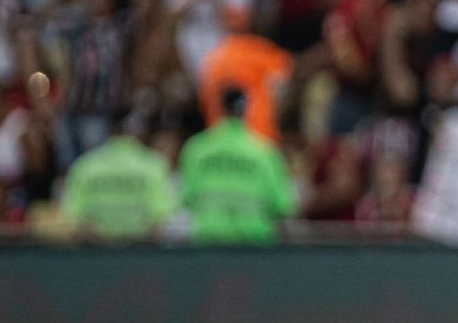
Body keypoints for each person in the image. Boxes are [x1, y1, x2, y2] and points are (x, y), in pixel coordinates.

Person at [178, 88, 295, 245]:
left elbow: (185, 198)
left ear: (218, 107)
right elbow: (282, 205)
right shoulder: (265, 152)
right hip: (253, 245)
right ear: (247, 110)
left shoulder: (196, 149)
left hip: (208, 243)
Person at [60, 113, 177, 241]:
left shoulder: (84, 165)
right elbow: (161, 220)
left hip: (96, 254)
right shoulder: (154, 164)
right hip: (142, 254)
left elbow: (74, 219)